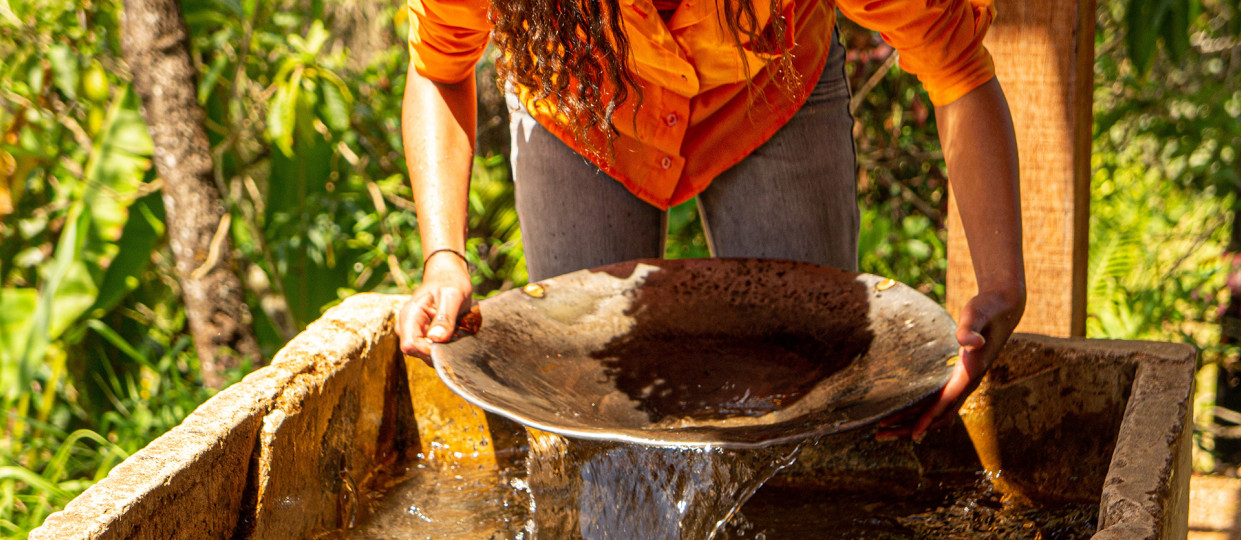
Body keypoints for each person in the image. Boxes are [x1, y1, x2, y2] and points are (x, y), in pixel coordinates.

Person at [395, 0, 1026, 441]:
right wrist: (443, 257)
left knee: (815, 392)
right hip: (579, 95)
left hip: (770, 82)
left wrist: (1001, 283)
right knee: (584, 407)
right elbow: (439, 69)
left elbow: (956, 71)